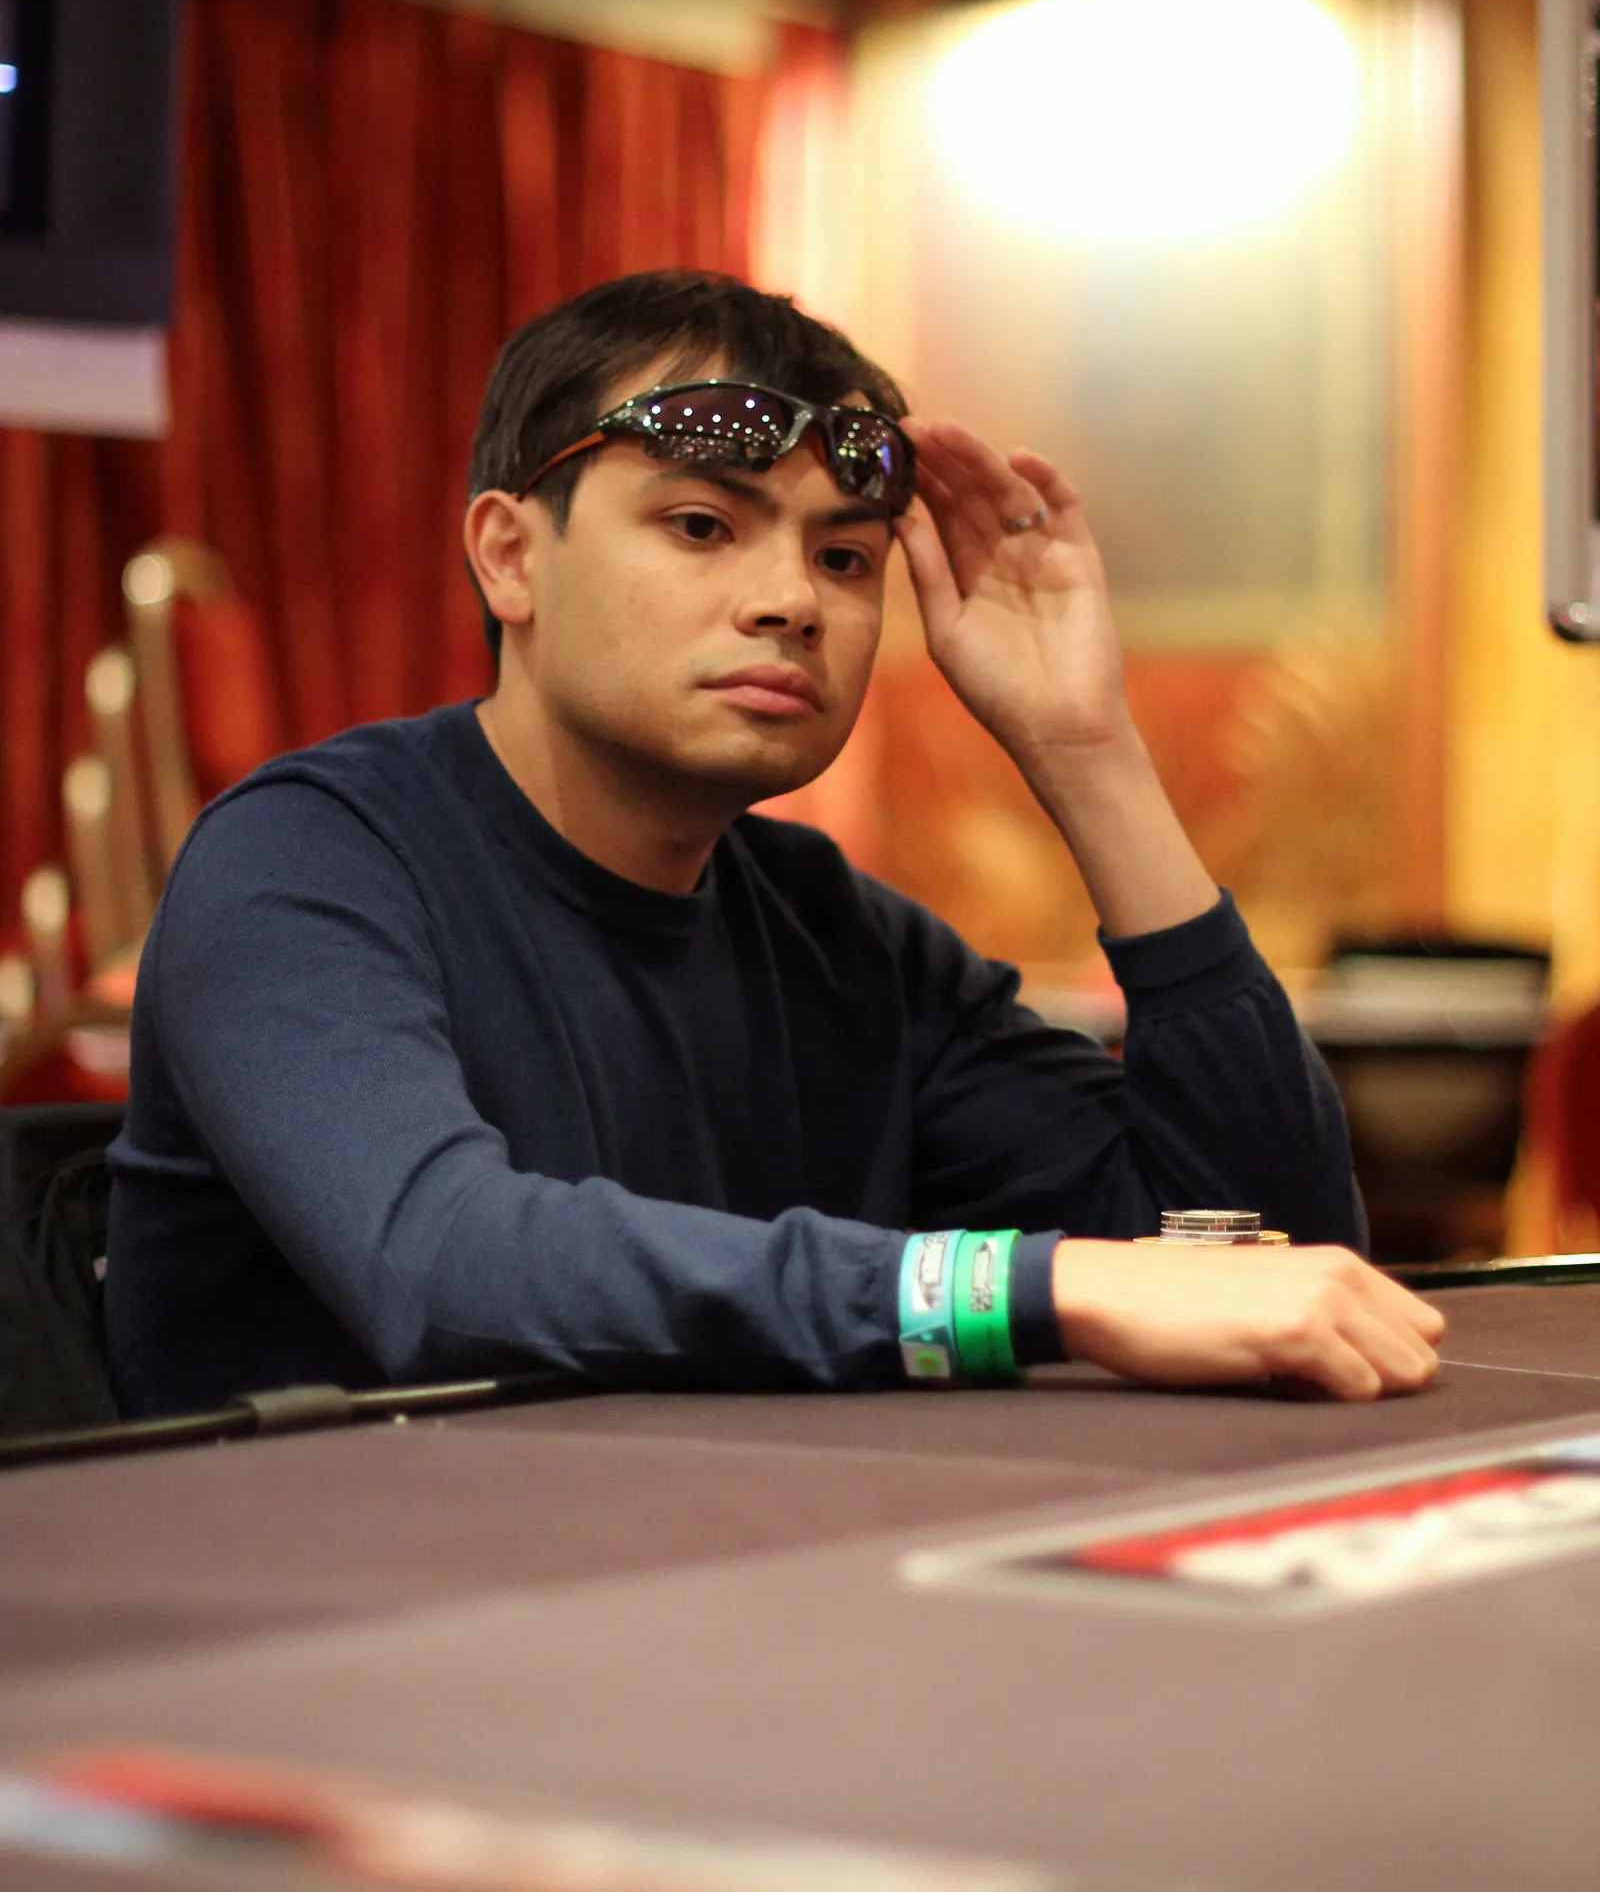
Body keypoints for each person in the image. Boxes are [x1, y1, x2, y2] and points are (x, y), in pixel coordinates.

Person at [104, 269, 1444, 1416]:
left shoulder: (846, 941)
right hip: (330, 1613)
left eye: (846, 559)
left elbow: (1270, 1261)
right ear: (510, 557)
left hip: (721, 1579)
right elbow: (444, 1269)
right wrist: (1033, 1290)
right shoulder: (303, 864)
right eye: (702, 527)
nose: (791, 600)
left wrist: (1090, 757)